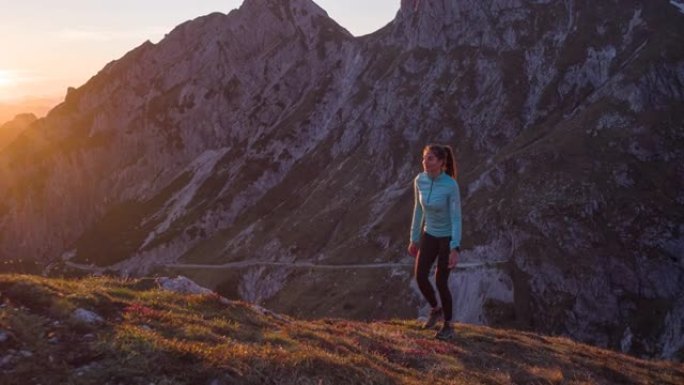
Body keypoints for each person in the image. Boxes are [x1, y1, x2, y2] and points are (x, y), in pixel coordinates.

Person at [408, 144, 462, 340]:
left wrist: (455, 247)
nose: (425, 162)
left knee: (441, 281)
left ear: (441, 162)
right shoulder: (419, 180)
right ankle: (435, 309)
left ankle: (448, 325)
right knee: (420, 276)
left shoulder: (450, 185)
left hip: (446, 238)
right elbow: (418, 210)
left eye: (430, 158)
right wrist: (414, 238)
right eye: (424, 158)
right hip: (429, 235)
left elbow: (456, 217)